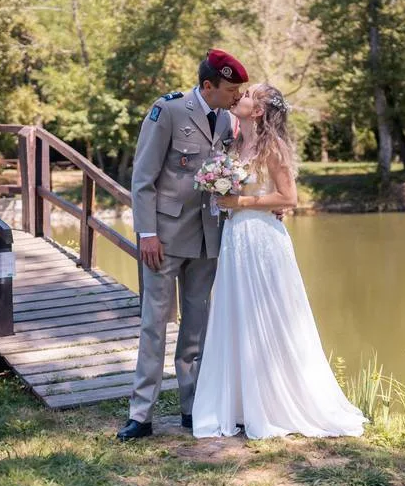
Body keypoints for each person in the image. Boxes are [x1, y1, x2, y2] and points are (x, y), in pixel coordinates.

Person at [191, 83, 367, 439]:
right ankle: (239, 404)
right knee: (236, 312)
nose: (239, 95)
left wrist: (240, 203)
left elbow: (289, 196)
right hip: (236, 237)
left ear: (258, 111)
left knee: (269, 313)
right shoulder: (235, 141)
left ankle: (275, 404)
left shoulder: (273, 146)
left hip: (262, 240)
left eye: (247, 94)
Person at [116, 49, 247, 442]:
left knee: (196, 328)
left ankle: (193, 408)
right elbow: (143, 178)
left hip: (208, 237)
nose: (236, 97)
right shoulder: (168, 110)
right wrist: (147, 233)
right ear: (208, 86)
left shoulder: (227, 120)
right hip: (165, 238)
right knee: (154, 325)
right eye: (230, 89)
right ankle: (141, 414)